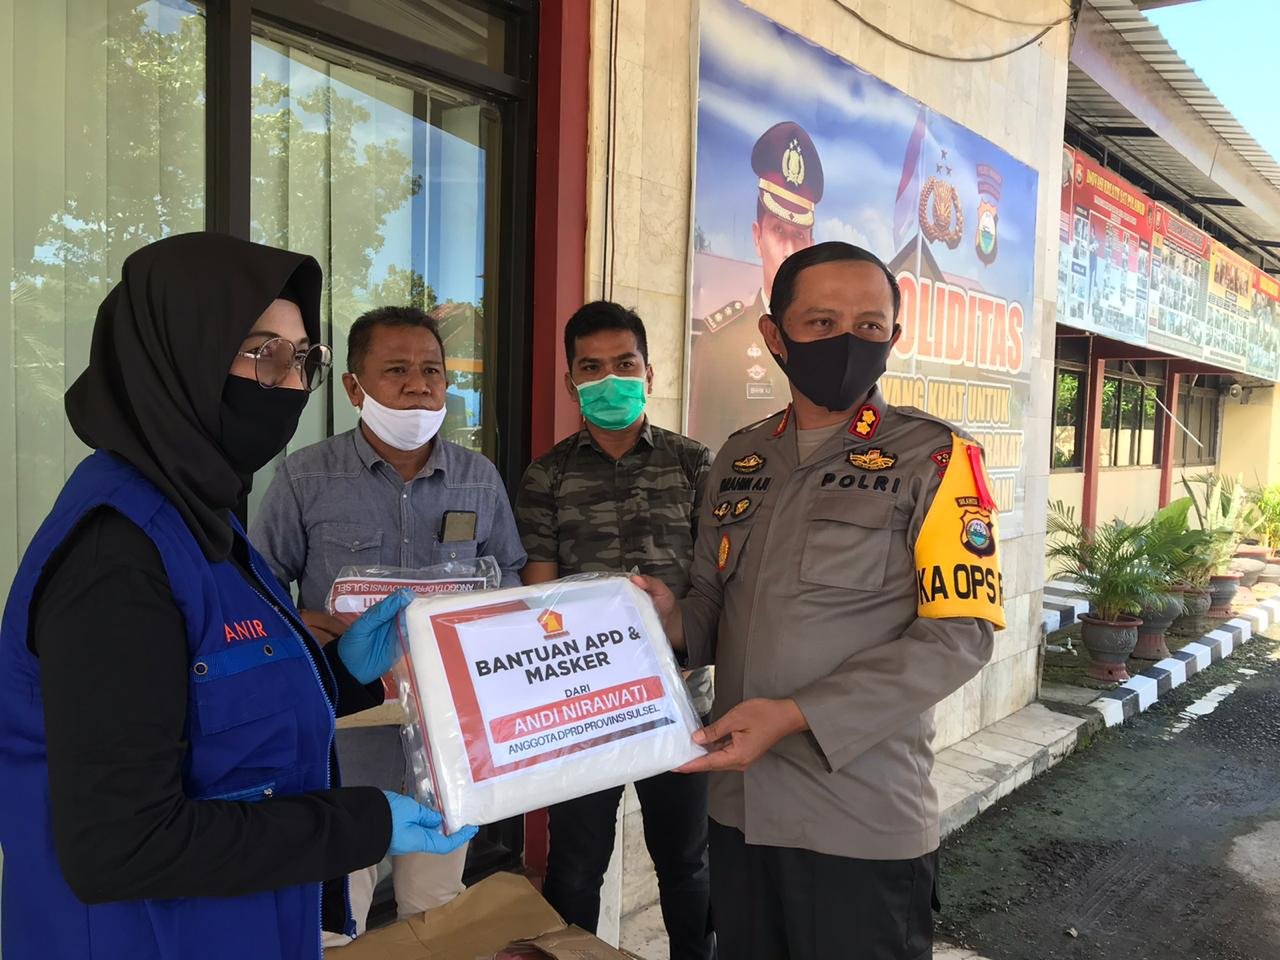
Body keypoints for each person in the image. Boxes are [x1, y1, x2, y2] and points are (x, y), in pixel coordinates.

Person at [0, 234, 475, 960]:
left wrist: (345, 673)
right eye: (263, 353)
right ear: (179, 352)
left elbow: (204, 707)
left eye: (302, 359)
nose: (288, 384)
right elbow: (121, 847)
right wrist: (360, 825)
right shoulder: (116, 557)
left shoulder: (197, 513)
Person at [634, 242, 1004, 960]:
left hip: (859, 816)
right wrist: (669, 618)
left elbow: (960, 635)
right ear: (775, 337)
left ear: (894, 338)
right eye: (821, 322)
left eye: (869, 326)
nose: (847, 342)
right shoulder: (739, 459)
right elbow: (711, 604)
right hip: (739, 812)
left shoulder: (935, 458)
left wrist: (797, 714)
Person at [250, 305, 525, 941]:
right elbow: (257, 592)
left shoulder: (478, 480)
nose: (418, 386)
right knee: (335, 915)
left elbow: (509, 577)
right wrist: (315, 627)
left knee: (436, 911)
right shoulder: (305, 477)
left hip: (449, 743)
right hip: (344, 746)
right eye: (396, 370)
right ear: (354, 388)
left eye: (432, 371)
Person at [516, 301, 715, 960]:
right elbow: (539, 598)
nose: (610, 380)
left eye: (624, 364)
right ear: (571, 380)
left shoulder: (695, 464)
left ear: (649, 373)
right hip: (585, 712)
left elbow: (720, 584)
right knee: (575, 869)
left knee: (687, 865)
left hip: (683, 705)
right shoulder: (547, 475)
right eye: (592, 368)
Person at [687, 120, 824, 452]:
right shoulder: (720, 343)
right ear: (757, 237)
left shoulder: (829, 343)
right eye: (778, 232)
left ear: (811, 244)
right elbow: (704, 459)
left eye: (798, 235)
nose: (789, 250)